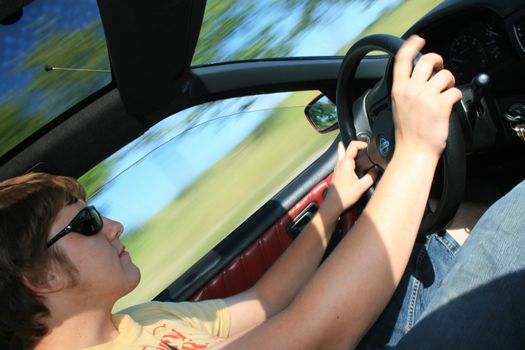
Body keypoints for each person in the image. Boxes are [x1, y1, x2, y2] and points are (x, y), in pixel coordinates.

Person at [0, 35, 463, 349]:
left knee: (445, 236)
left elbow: (266, 302)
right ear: (42, 278)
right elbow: (312, 336)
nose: (116, 227)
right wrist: (417, 150)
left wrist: (333, 204)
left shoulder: (137, 323)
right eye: (88, 224)